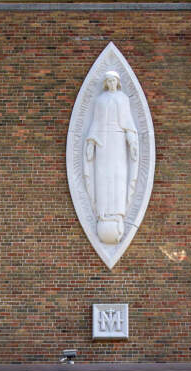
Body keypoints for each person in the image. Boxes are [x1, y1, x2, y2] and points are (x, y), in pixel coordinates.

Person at [84, 70, 139, 245]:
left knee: (118, 175)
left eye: (114, 80)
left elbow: (128, 123)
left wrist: (131, 141)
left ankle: (117, 213)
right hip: (102, 141)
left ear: (117, 82)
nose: (112, 83)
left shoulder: (123, 99)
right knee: (103, 176)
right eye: (108, 81)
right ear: (106, 83)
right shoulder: (100, 101)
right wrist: (91, 142)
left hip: (117, 141)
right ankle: (103, 213)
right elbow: (95, 122)